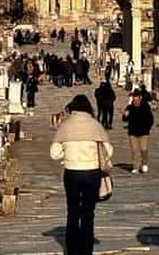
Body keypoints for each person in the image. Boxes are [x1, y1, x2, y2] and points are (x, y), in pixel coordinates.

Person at [50, 95, 113, 255]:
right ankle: (86, 249)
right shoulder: (95, 125)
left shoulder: (65, 126)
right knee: (88, 213)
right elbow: (109, 151)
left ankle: (71, 249)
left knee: (72, 211)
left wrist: (67, 156)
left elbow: (54, 153)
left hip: (72, 172)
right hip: (92, 172)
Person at [123, 88, 154, 173]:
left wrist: (148, 127)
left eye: (137, 98)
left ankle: (144, 163)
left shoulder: (145, 106)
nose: (135, 100)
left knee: (143, 149)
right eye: (134, 98)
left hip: (144, 132)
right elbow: (125, 119)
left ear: (140, 98)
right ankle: (136, 166)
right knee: (134, 150)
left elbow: (150, 119)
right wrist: (125, 115)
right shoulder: (130, 107)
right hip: (133, 132)